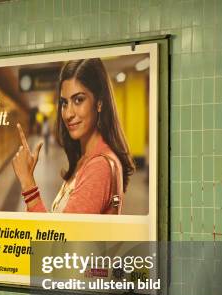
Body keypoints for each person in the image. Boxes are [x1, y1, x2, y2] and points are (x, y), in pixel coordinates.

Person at [12, 58, 135, 214]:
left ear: (99, 103)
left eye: (78, 100)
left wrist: (27, 183)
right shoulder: (86, 158)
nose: (68, 114)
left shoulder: (99, 167)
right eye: (64, 103)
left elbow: (56, 238)